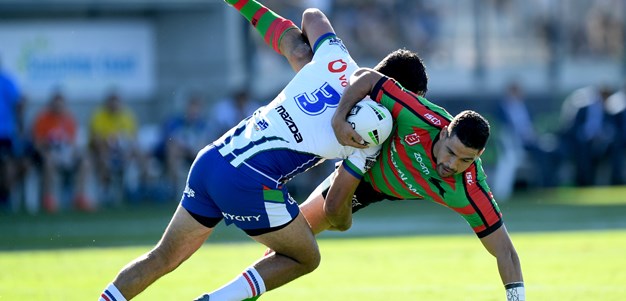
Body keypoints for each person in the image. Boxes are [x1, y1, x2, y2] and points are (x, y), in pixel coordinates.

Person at [98, 2, 427, 300]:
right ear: (396, 92)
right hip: (250, 181)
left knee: (162, 257)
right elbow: (334, 207)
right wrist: (343, 221)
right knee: (306, 256)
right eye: (412, 101)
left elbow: (311, 17)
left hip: (213, 158)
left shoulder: (338, 61)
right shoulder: (372, 128)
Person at [231, 2, 525, 300]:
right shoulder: (348, 79)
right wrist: (338, 118)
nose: (452, 164)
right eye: (452, 152)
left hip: (370, 179)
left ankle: (237, 292)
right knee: (302, 242)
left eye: (465, 159)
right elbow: (313, 16)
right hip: (304, 148)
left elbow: (506, 251)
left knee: (297, 240)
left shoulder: (462, 178)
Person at [31, 91, 92, 212]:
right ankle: (49, 199)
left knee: (85, 162)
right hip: (48, 154)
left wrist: (74, 153)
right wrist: (47, 151)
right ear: (51, 104)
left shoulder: (69, 120)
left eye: (61, 104)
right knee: (49, 162)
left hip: (66, 155)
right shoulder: (42, 119)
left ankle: (80, 197)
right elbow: (37, 143)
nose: (58, 107)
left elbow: (73, 143)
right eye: (56, 104)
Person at [89, 91, 147, 207]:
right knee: (102, 153)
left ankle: (143, 189)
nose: (114, 105)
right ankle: (105, 191)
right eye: (112, 102)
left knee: (140, 153)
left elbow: (134, 139)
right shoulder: (99, 116)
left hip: (123, 152)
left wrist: (127, 153)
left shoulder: (127, 116)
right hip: (104, 152)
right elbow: (96, 140)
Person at [155, 93, 213, 197]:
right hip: (176, 155)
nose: (194, 111)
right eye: (192, 107)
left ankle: (202, 192)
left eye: (197, 108)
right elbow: (171, 142)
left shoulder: (203, 125)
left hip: (193, 155)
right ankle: (173, 189)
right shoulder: (176, 122)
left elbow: (205, 144)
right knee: (174, 152)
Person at [0, 56, 24, 211]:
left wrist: (20, 127)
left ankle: (5, 195)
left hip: (5, 133)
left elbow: (19, 104)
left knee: (10, 164)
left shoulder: (7, 81)